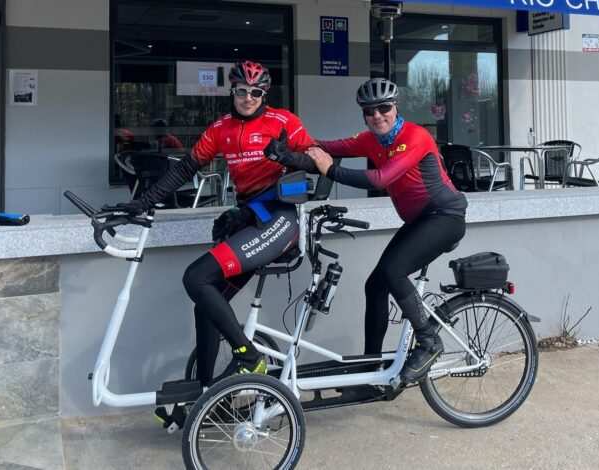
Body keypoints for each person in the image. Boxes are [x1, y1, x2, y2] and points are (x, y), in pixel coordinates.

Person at [106, 61, 318, 392]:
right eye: (242, 91)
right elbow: (185, 168)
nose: (248, 98)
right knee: (206, 303)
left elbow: (318, 162)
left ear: (264, 94)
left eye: (256, 92)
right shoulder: (221, 129)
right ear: (232, 91)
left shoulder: (283, 121)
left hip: (280, 220)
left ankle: (249, 356)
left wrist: (288, 157)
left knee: (196, 277)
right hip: (250, 218)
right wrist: (143, 201)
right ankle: (204, 390)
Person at [302, 78, 467, 383]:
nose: (377, 115)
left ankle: (429, 341)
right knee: (375, 285)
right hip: (419, 222)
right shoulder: (370, 140)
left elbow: (380, 178)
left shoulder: (415, 136)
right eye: (369, 111)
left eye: (384, 108)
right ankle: (370, 369)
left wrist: (331, 170)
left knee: (393, 272)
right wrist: (292, 146)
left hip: (445, 217)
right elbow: (328, 146)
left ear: (395, 107)